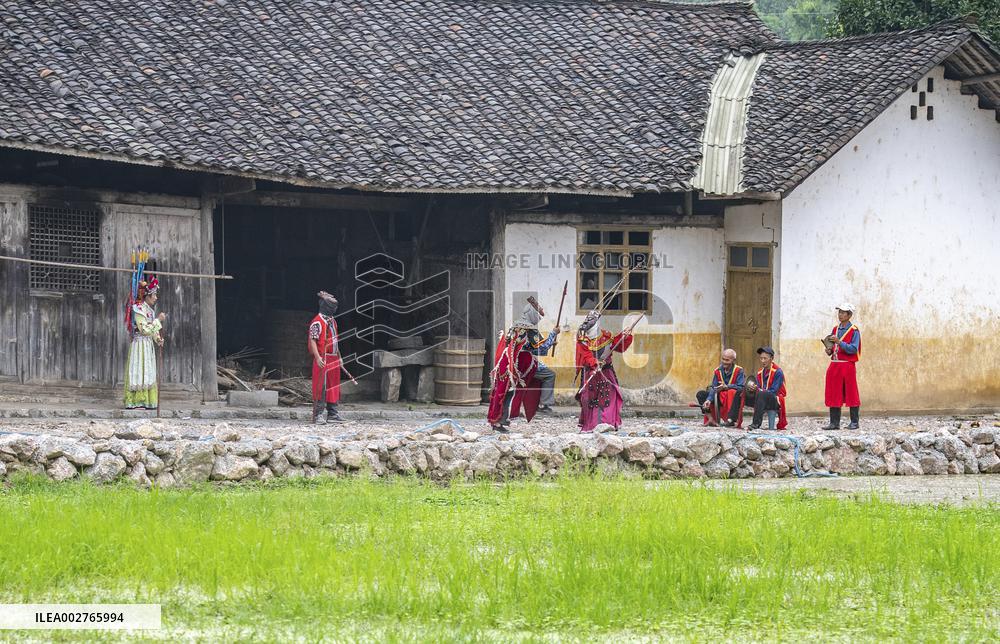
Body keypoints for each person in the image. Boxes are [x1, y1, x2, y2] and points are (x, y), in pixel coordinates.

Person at [487, 298, 554, 431]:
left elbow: (523, 344)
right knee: (506, 392)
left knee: (505, 392)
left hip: (506, 361)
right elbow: (540, 349)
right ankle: (499, 422)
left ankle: (501, 419)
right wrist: (553, 335)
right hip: (516, 364)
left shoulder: (516, 325)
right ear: (532, 315)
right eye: (537, 315)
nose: (539, 318)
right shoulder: (529, 328)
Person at [575, 310, 634, 433]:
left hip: (606, 373)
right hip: (590, 374)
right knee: (590, 401)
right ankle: (591, 426)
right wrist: (594, 363)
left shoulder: (606, 336)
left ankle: (607, 424)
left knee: (608, 399)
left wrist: (625, 336)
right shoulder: (582, 338)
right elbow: (585, 355)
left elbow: (618, 346)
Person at [124, 277, 165, 410]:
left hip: (147, 345)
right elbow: (144, 329)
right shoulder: (138, 308)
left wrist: (158, 339)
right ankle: (137, 401)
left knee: (147, 371)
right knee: (138, 370)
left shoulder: (150, 311)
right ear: (147, 295)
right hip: (139, 345)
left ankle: (146, 400)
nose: (156, 298)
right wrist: (158, 320)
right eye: (154, 295)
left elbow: (152, 332)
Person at [823, 303, 861, 430]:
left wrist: (840, 342)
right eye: (839, 312)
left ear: (849, 315)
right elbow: (834, 347)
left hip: (847, 365)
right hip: (835, 364)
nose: (840, 315)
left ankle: (854, 422)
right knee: (833, 392)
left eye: (843, 312)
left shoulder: (854, 331)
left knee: (851, 392)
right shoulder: (835, 329)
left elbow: (854, 349)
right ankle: (834, 423)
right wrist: (829, 350)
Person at [308, 291, 342, 425]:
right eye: (332, 305)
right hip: (323, 357)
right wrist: (317, 357)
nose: (335, 308)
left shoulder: (332, 321)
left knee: (333, 386)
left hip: (333, 357)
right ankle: (318, 415)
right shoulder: (317, 322)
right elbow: (312, 340)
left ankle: (333, 414)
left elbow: (335, 340)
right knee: (320, 387)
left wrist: (339, 356)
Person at [696, 349, 745, 427]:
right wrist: (709, 399)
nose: (724, 362)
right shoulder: (718, 370)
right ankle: (711, 419)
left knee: (731, 392)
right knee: (701, 394)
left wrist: (727, 387)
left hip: (732, 400)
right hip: (719, 397)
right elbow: (714, 387)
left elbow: (741, 387)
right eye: (723, 359)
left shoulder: (739, 370)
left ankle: (731, 420)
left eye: (727, 360)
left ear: (733, 360)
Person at [746, 346, 787, 430]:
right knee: (741, 391)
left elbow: (774, 391)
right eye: (761, 358)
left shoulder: (778, 372)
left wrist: (759, 390)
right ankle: (732, 420)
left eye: (765, 358)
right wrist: (752, 388)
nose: (763, 361)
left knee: (762, 393)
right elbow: (758, 387)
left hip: (774, 400)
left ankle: (755, 424)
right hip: (761, 398)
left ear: (771, 358)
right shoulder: (760, 372)